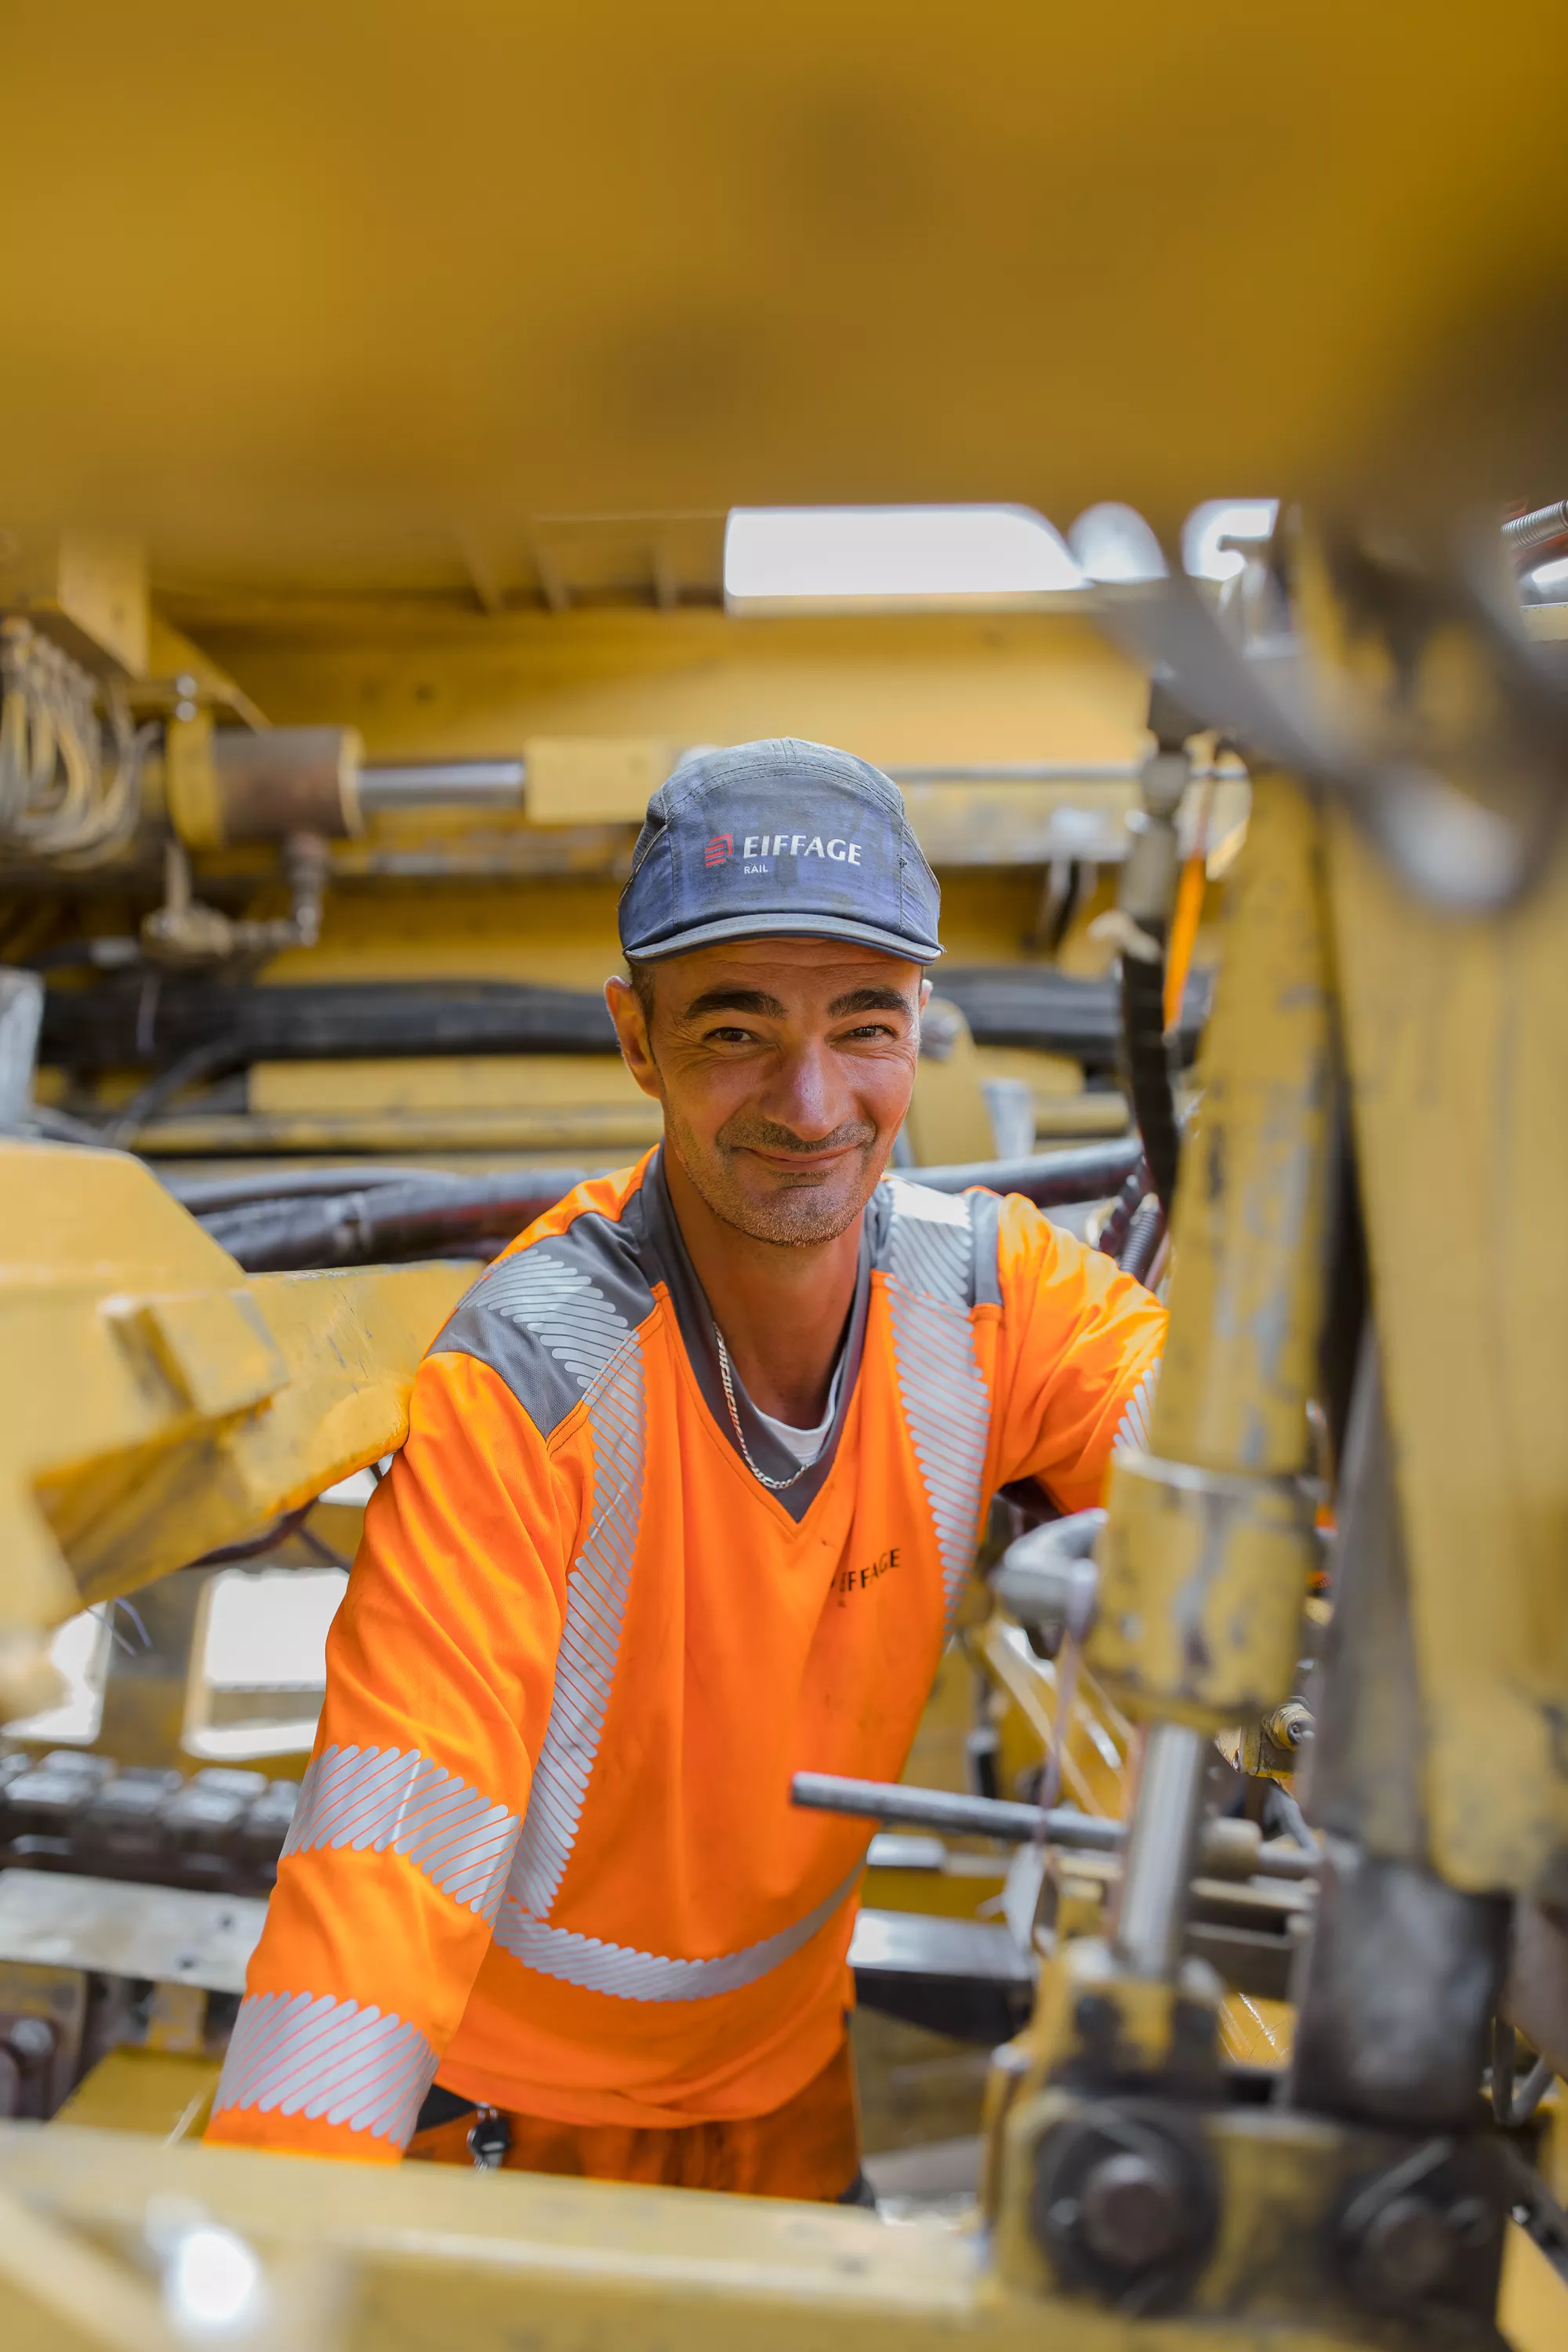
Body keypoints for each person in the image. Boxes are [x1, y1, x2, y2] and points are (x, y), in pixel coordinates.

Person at [206, 738, 1164, 2199]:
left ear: (922, 1022)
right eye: (733, 1031)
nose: (811, 1102)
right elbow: (393, 1837)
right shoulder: (529, 1380)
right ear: (637, 1039)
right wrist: (283, 2227)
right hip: (519, 2118)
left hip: (784, 2080)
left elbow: (1231, 1456)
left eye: (863, 1025)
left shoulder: (995, 1298)